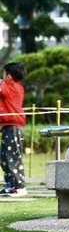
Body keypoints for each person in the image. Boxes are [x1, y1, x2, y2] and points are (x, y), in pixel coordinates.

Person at [0, 62, 27, 197]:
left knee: (13, 156)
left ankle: (20, 185)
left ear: (9, 76)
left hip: (14, 126)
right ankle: (11, 184)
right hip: (8, 126)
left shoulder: (13, 87)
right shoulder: (9, 86)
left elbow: (1, 88)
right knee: (4, 157)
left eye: (4, 73)